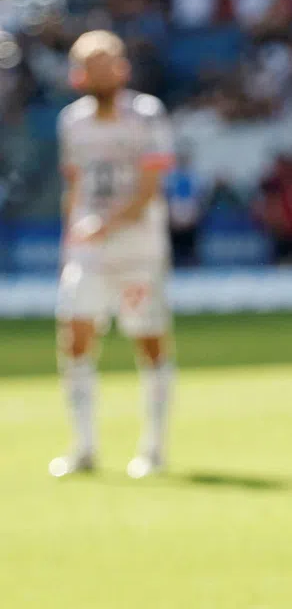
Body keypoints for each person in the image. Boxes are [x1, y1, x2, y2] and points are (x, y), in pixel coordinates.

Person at [52, 30, 177, 480]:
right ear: (78, 73)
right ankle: (83, 447)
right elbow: (75, 186)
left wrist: (108, 223)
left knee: (148, 339)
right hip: (87, 248)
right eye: (92, 63)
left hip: (138, 247)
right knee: (75, 335)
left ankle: (154, 447)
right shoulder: (72, 122)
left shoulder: (147, 115)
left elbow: (149, 188)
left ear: (123, 68)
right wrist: (71, 240)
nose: (103, 71)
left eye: (110, 62)